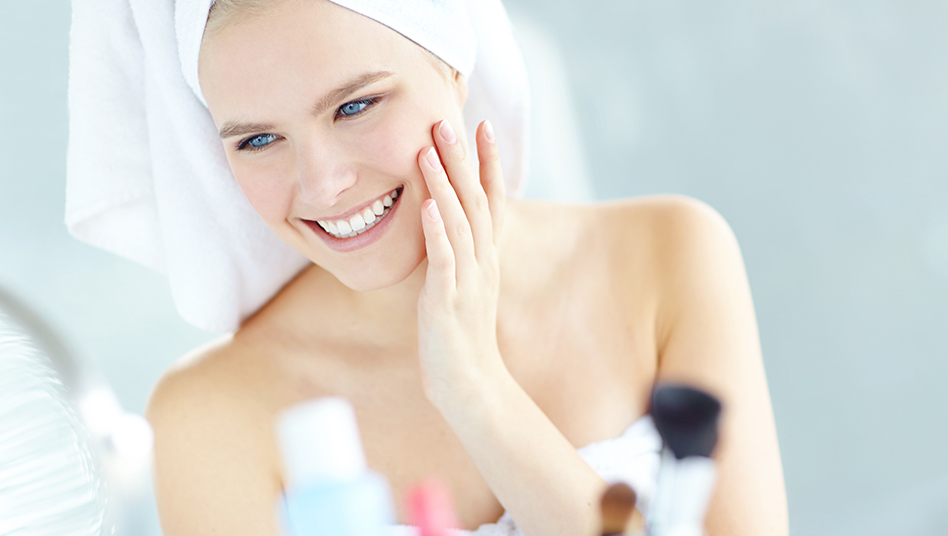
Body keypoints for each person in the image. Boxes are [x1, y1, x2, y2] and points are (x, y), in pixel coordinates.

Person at [69, 0, 788, 534]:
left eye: (355, 106)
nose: (320, 186)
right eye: (258, 140)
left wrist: (476, 391)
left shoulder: (669, 257)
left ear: (452, 63)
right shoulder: (213, 415)